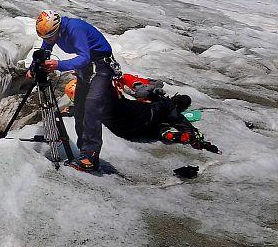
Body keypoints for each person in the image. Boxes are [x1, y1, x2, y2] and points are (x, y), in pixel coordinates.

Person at [34, 10, 117, 172]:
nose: (48, 41)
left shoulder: (74, 29)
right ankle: (83, 151)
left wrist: (58, 65)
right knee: (80, 108)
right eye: (45, 38)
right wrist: (35, 67)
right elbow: (45, 51)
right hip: (86, 68)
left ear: (57, 28)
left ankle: (91, 155)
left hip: (101, 66)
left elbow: (84, 56)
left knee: (92, 105)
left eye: (49, 37)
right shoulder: (53, 33)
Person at [64, 75, 221, 153]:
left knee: (153, 126)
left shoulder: (86, 109)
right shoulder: (107, 94)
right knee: (165, 106)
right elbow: (120, 79)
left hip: (128, 132)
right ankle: (190, 131)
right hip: (146, 115)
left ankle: (164, 133)